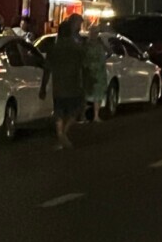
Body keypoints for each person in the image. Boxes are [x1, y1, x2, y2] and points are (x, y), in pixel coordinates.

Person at [39, 15, 87, 149]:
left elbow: (47, 69)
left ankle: (61, 134)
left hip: (58, 86)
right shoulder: (77, 49)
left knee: (59, 111)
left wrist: (43, 87)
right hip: (73, 84)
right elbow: (83, 67)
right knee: (75, 109)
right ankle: (63, 133)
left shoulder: (54, 49)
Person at [83, 24, 110, 122]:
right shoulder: (88, 45)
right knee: (90, 94)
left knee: (93, 94)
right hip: (93, 71)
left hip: (94, 71)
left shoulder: (94, 44)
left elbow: (108, 52)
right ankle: (91, 116)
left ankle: (94, 115)